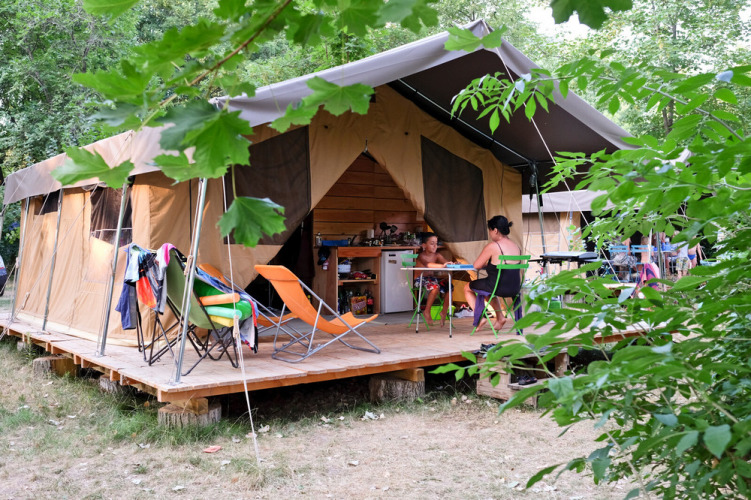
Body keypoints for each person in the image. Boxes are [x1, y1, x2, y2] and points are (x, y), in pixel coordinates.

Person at [463, 215, 521, 331]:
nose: (490, 234)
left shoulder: (494, 246)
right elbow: (506, 265)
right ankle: (500, 318)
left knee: (467, 288)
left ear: (495, 230)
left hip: (497, 287)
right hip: (514, 288)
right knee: (487, 289)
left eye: (490, 230)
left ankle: (481, 318)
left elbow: (476, 266)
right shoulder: (516, 246)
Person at [415, 232, 453, 327]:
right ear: (424, 245)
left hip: (432, 279)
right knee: (435, 287)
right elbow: (428, 265)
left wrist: (451, 263)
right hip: (421, 279)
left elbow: (445, 262)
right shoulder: (421, 256)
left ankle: (444, 312)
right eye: (432, 244)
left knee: (450, 287)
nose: (435, 246)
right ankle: (427, 311)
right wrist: (442, 266)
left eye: (436, 243)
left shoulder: (437, 255)